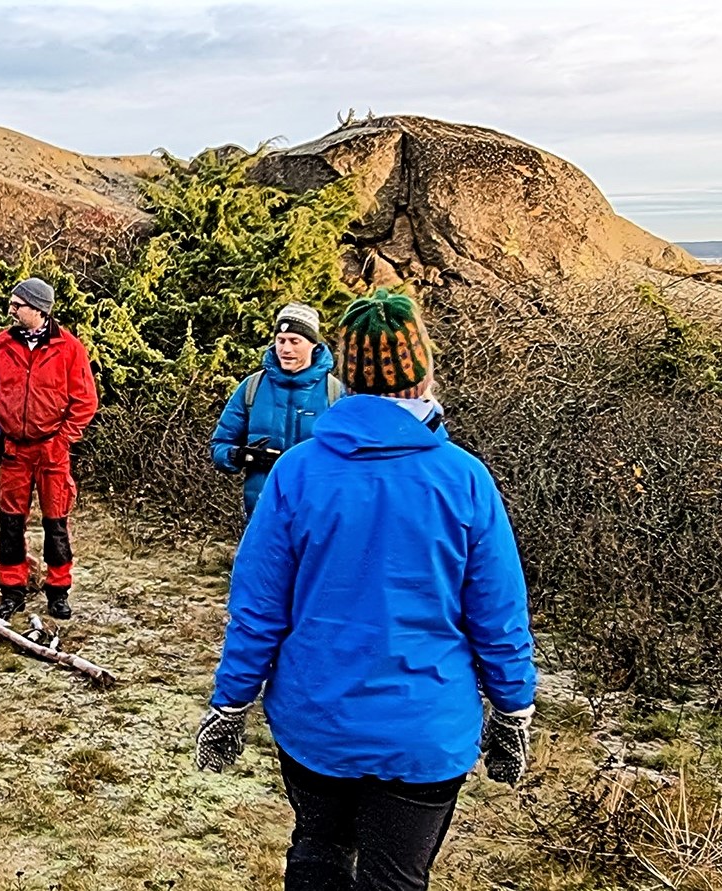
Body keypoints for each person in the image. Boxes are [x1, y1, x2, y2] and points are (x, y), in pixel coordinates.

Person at [193, 290, 538, 891]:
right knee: (396, 879)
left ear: (345, 374)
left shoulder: (297, 472)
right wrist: (512, 710)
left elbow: (257, 611)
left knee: (319, 851)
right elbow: (499, 617)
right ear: (423, 369)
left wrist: (230, 705)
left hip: (317, 719)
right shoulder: (464, 479)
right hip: (425, 728)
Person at [0, 277, 99, 620]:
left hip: (51, 452)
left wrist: (62, 440)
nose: (11, 310)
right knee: (11, 522)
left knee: (56, 523)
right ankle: (12, 589)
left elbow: (85, 401)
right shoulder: (1, 344)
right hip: (13, 450)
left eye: (18, 304)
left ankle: (58, 592)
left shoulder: (69, 348)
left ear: (39, 309)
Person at [209, 303, 343, 517]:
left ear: (312, 344)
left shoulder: (335, 392)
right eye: (280, 341)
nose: (285, 349)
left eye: (294, 341)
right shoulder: (251, 387)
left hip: (316, 517)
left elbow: (349, 457)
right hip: (262, 516)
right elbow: (219, 446)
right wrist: (240, 456)